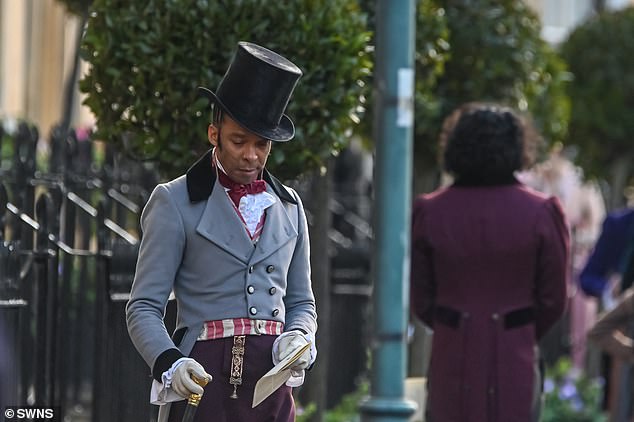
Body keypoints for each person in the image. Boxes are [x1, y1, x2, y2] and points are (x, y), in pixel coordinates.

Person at [126, 41, 318, 422]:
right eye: (238, 141)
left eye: (261, 145)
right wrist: (170, 362)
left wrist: (300, 338)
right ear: (214, 134)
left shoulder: (291, 207)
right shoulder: (174, 201)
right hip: (201, 382)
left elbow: (302, 303)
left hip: (271, 388)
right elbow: (143, 307)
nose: (251, 156)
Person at [410, 102, 570, 422]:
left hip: (452, 347)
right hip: (516, 350)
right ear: (518, 148)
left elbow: (421, 297)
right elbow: (553, 298)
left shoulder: (430, 211)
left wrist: (455, 319)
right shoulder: (542, 212)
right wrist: (518, 327)